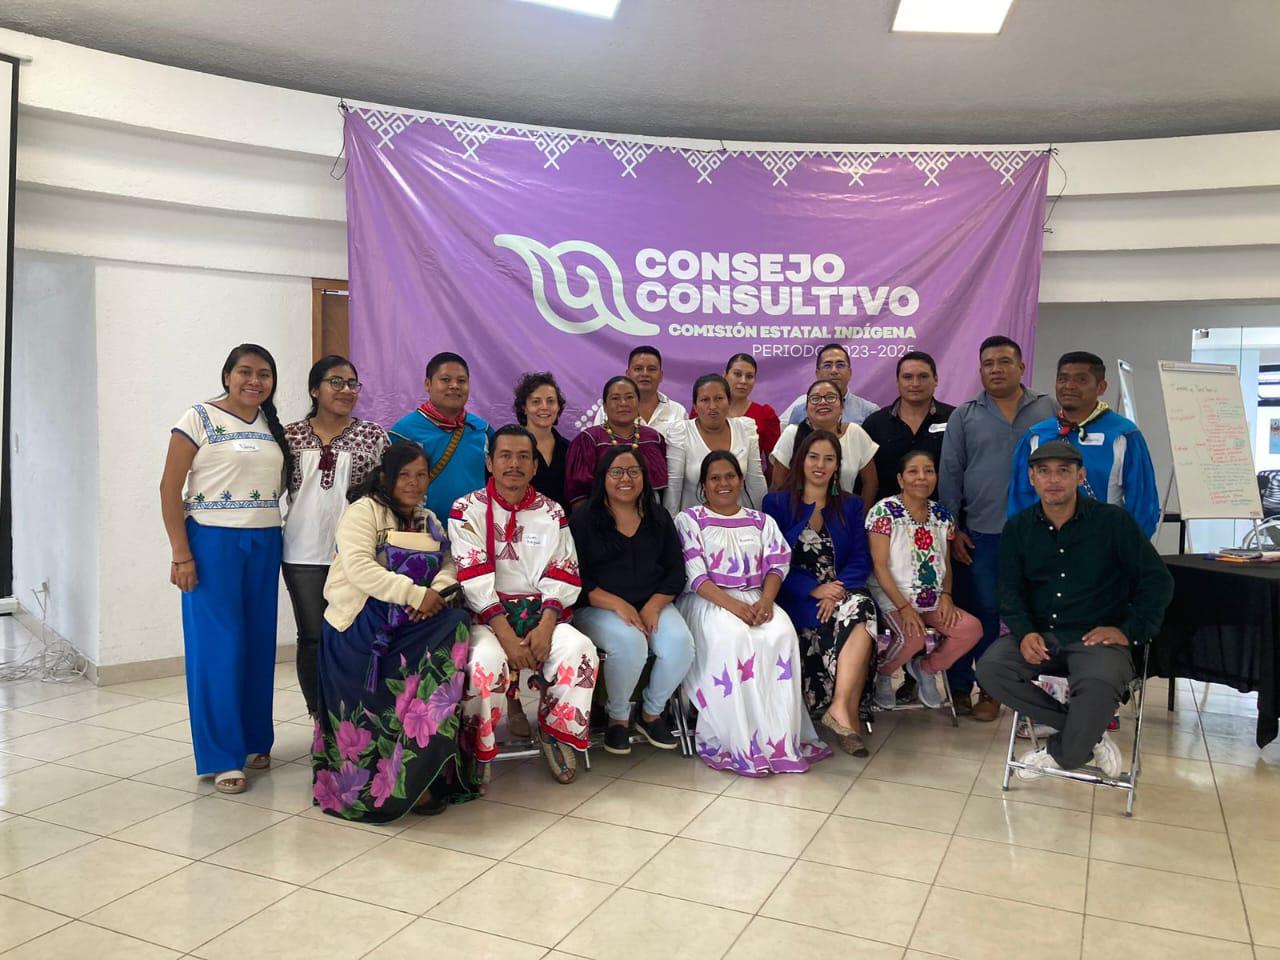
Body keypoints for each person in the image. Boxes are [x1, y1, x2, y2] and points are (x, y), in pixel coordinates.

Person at [976, 442, 1173, 779]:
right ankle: (1087, 734)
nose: (1054, 480)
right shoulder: (1019, 528)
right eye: (1044, 471)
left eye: (1063, 471)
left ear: (1080, 476)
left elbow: (1158, 582)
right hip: (1041, 635)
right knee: (992, 669)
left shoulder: (1113, 522)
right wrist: (1024, 632)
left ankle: (1063, 751)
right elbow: (1009, 592)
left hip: (1096, 638)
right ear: (1031, 478)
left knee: (1098, 684)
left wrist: (1127, 630)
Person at [313, 442, 471, 821]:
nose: (414, 483)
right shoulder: (363, 511)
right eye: (405, 475)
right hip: (362, 624)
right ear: (385, 477)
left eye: (421, 475)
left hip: (412, 618)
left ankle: (419, 773)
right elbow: (358, 568)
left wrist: (434, 594)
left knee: (456, 625)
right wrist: (414, 595)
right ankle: (372, 784)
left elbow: (450, 564)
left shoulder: (427, 518)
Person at [160, 344, 290, 795]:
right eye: (245, 372)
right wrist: (182, 553)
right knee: (219, 647)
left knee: (257, 643)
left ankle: (256, 738)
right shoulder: (198, 417)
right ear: (227, 375)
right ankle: (221, 754)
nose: (254, 381)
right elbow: (169, 487)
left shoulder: (272, 426)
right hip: (212, 542)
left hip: (265, 540)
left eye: (264, 374)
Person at [449, 425, 599, 786]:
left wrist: (546, 628)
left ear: (535, 466)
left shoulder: (552, 511)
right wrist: (505, 635)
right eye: (505, 455)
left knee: (580, 652)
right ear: (490, 462)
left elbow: (563, 571)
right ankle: (477, 747)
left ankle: (556, 733)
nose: (514, 464)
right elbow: (471, 577)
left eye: (523, 457)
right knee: (484, 665)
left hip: (542, 615)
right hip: (487, 618)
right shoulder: (466, 509)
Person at [675, 451, 831, 775]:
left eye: (730, 476)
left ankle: (778, 739)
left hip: (758, 598)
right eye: (714, 478)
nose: (723, 483)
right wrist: (735, 608)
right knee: (734, 639)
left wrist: (765, 602)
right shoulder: (689, 520)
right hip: (708, 601)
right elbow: (696, 575)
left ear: (741, 480)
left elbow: (777, 564)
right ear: (703, 484)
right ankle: (738, 740)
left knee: (781, 633)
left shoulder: (761, 521)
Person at [938, 335, 1056, 721]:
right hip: (982, 532)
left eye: (1004, 362)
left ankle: (1015, 690)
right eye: (988, 363)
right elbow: (951, 474)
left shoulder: (1047, 411)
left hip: (1040, 532)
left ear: (1021, 367)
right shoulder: (965, 415)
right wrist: (952, 529)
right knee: (980, 611)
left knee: (1033, 611)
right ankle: (965, 687)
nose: (996, 369)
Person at [282, 355, 389, 717]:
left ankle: (354, 716)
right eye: (336, 382)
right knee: (312, 638)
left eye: (352, 383)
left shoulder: (373, 435)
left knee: (354, 636)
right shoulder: (290, 436)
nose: (346, 390)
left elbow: (390, 493)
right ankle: (319, 716)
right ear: (315, 389)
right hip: (302, 554)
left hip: (356, 555)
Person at [570, 447, 694, 755]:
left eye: (633, 472)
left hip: (654, 603)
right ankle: (618, 718)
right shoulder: (584, 518)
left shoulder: (658, 516)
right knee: (630, 642)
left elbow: (676, 573)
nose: (625, 479)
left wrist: (653, 605)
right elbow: (575, 577)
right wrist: (616, 604)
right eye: (617, 472)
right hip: (597, 606)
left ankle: (651, 712)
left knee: (680, 644)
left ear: (644, 478)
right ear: (603, 478)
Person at [764, 431, 878, 756]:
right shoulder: (777, 503)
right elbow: (772, 559)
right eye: (814, 456)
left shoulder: (851, 504)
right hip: (797, 595)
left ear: (838, 465)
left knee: (862, 609)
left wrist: (835, 590)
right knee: (858, 616)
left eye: (829, 459)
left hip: (842, 591)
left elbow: (861, 556)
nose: (820, 465)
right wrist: (814, 589)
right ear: (801, 460)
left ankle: (839, 708)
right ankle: (845, 715)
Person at [865, 450, 982, 710]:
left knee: (971, 629)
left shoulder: (942, 515)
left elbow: (945, 563)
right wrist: (905, 608)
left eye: (928, 471)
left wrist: (947, 596)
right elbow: (880, 567)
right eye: (913, 471)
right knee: (914, 637)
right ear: (900, 479)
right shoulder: (884, 512)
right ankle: (883, 674)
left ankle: (926, 668)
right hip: (893, 595)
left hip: (931, 596)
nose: (922, 477)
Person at [1008, 351, 1160, 538]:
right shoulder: (1036, 436)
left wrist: (1126, 551)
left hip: (1103, 547)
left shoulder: (1124, 435)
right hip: (1046, 548)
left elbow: (1143, 504)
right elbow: (1020, 500)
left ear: (1101, 387)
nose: (1069, 386)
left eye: (1081, 380)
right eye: (1062, 379)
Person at [389, 352, 490, 521]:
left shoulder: (482, 430)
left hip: (474, 532)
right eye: (445, 380)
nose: (454, 386)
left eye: (461, 381)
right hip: (421, 532)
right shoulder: (403, 433)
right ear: (427, 384)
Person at [665, 374, 767, 514]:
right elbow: (673, 486)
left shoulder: (746, 428)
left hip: (741, 521)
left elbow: (756, 482)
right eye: (705, 400)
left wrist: (764, 521)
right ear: (695, 405)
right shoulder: (680, 432)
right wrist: (672, 527)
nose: (712, 406)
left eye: (719, 398)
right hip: (693, 524)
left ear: (729, 401)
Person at [862, 351, 955, 503]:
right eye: (907, 377)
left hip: (942, 519)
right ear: (897, 381)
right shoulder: (874, 424)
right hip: (886, 521)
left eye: (923, 376)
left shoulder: (955, 419)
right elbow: (864, 480)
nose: (915, 383)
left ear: (936, 379)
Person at [771, 379, 879, 503]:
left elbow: (871, 482)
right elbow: (777, 485)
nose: (823, 402)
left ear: (842, 406)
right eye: (815, 398)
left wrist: (861, 516)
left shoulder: (855, 433)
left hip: (844, 516)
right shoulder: (792, 434)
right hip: (797, 517)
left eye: (830, 397)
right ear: (806, 408)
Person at [566, 376, 668, 506]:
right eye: (615, 398)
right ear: (604, 406)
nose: (623, 403)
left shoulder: (654, 438)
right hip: (599, 518)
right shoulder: (588, 440)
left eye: (629, 397)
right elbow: (578, 495)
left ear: (638, 402)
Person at [592, 345, 687, 438]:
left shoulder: (677, 411)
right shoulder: (609, 410)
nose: (645, 374)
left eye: (651, 369)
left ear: (661, 375)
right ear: (628, 374)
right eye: (638, 369)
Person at [781, 343, 878, 427]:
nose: (834, 371)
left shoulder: (869, 411)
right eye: (827, 365)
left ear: (850, 372)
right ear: (817, 374)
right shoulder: (800, 411)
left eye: (840, 365)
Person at [514, 371, 571, 513]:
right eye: (536, 401)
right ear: (524, 407)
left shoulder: (570, 449)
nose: (544, 407)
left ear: (558, 407)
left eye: (551, 401)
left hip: (564, 530)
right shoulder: (508, 446)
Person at [725, 353, 782, 462]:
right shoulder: (706, 408)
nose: (743, 381)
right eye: (737, 374)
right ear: (725, 375)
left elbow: (774, 462)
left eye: (749, 376)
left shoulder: (765, 414)